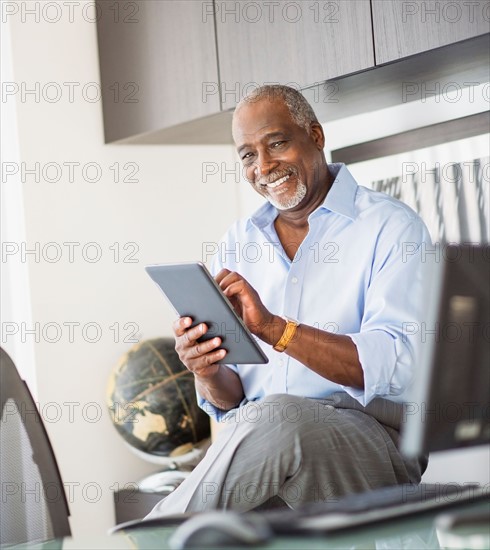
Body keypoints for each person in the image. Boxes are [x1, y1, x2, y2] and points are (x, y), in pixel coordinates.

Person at [147, 85, 431, 517]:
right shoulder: (237, 242)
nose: (263, 166)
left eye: (276, 143)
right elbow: (231, 400)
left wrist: (276, 331)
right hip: (266, 449)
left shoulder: (391, 228)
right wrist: (205, 370)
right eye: (246, 155)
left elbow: (395, 364)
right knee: (267, 422)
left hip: (373, 444)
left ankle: (143, 541)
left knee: (279, 416)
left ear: (315, 135)